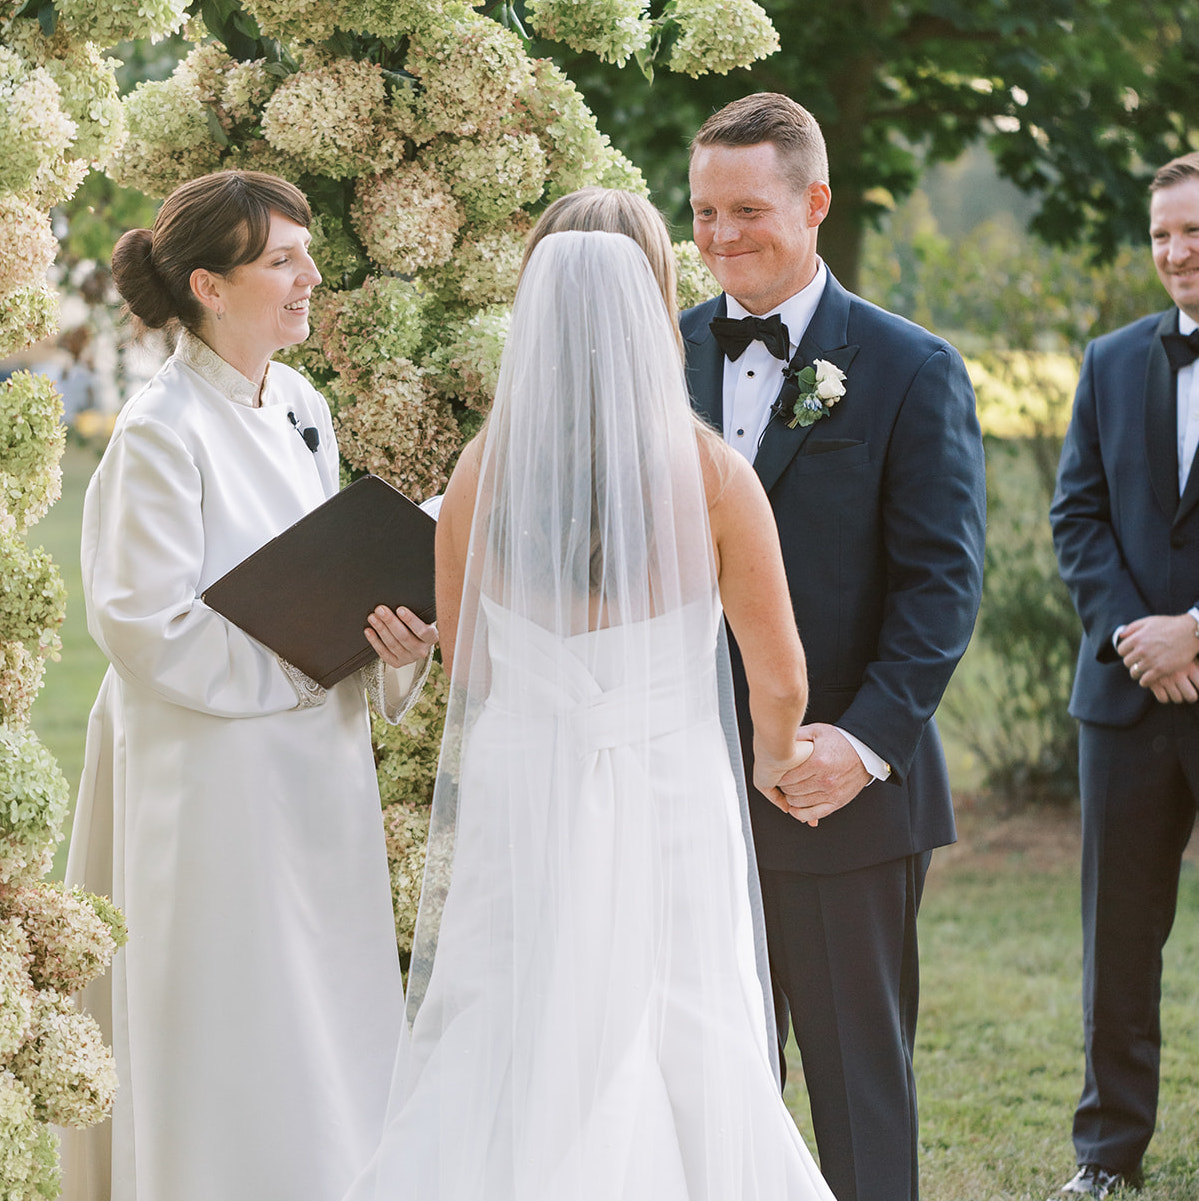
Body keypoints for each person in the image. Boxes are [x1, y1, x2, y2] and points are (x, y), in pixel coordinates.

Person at [342, 200, 837, 1200]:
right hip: (666, 782)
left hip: (526, 779)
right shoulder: (712, 476)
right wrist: (774, 752)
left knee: (509, 1016)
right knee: (681, 1017)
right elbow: (776, 670)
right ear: (655, 298)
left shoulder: (481, 472)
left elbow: (470, 666)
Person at [61, 169, 438, 1201]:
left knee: (324, 1003)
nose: (311, 275)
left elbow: (331, 570)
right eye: (282, 259)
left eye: (304, 252)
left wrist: (390, 643)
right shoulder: (158, 428)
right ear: (209, 286)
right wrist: (302, 655)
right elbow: (142, 621)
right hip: (208, 778)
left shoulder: (301, 403)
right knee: (235, 1012)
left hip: (317, 771)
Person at [681, 93, 987, 1201]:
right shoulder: (659, 354)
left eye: (746, 209)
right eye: (703, 211)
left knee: (857, 1081)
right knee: (708, 1075)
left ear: (813, 202)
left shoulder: (909, 367)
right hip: (682, 784)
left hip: (838, 791)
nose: (719, 237)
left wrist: (856, 747)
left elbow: (941, 587)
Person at [1048, 150, 1199, 1200]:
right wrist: (1130, 634)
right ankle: (1106, 1154)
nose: (1174, 253)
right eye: (1159, 235)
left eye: (1190, 233)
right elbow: (1075, 514)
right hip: (1122, 697)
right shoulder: (1106, 360)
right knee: (1116, 941)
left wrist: (1196, 627)